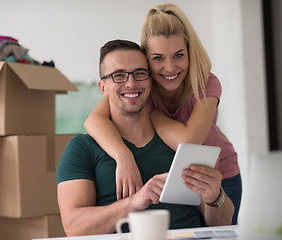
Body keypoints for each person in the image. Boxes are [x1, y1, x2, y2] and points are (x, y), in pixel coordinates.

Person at [84, 3, 242, 225]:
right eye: (158, 58)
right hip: (176, 178)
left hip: (218, 174)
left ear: (190, 52)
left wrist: (154, 116)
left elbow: (189, 142)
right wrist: (123, 156)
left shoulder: (205, 82)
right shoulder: (141, 86)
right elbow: (93, 120)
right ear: (146, 60)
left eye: (178, 55)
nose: (169, 68)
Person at [57, 39, 234, 236]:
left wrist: (215, 197)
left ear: (150, 81)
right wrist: (134, 202)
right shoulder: (81, 148)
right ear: (103, 87)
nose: (131, 83)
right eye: (119, 76)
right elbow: (74, 227)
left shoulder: (178, 143)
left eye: (140, 74)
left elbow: (222, 221)